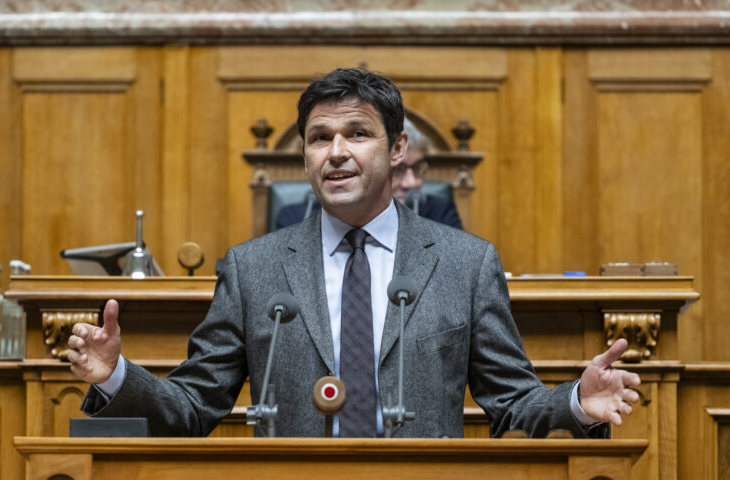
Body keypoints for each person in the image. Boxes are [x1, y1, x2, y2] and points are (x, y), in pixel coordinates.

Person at [69, 68, 639, 438]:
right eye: (320, 138)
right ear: (306, 157)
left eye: (357, 134)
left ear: (396, 150)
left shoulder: (467, 264)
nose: (336, 152)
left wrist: (576, 403)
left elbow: (511, 404)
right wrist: (115, 376)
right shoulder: (253, 268)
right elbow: (194, 406)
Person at [275, 119, 462, 230]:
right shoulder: (297, 218)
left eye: (418, 169)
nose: (412, 183)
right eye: (399, 170)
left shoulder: (438, 213)